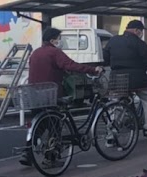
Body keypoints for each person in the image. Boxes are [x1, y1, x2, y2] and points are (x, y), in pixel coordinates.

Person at [20, 26, 102, 165]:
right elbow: (70, 64)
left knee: (39, 125)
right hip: (51, 93)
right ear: (53, 40)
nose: (60, 41)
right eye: (59, 38)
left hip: (34, 94)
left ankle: (28, 153)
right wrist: (93, 69)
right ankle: (51, 157)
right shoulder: (54, 52)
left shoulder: (36, 53)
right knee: (55, 125)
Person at [103, 19, 147, 134]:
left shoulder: (113, 40)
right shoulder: (138, 43)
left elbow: (105, 58)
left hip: (117, 79)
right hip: (137, 79)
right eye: (141, 31)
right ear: (136, 31)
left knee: (115, 101)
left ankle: (111, 131)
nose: (141, 34)